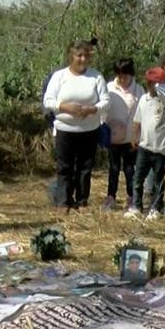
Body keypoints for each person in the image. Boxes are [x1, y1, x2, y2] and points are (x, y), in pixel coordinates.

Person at [43, 39, 109, 211]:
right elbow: (48, 101)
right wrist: (64, 107)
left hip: (89, 130)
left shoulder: (96, 76)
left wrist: (92, 109)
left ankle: (82, 201)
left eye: (86, 56)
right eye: (79, 55)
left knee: (85, 167)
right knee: (65, 167)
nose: (83, 59)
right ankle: (63, 201)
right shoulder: (59, 76)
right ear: (71, 56)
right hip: (66, 130)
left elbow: (106, 101)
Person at [127, 66, 165, 219]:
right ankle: (136, 206)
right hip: (144, 147)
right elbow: (137, 121)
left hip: (161, 149)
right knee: (138, 178)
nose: (156, 87)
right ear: (148, 84)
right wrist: (134, 136)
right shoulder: (143, 99)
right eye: (153, 83)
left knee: (159, 180)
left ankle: (156, 208)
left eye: (160, 83)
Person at [104, 58, 142, 210]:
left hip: (130, 137)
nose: (122, 79)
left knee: (129, 169)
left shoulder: (138, 90)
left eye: (125, 75)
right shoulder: (109, 88)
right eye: (119, 75)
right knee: (113, 168)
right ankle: (111, 197)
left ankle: (131, 197)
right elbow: (104, 110)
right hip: (113, 136)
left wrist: (137, 135)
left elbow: (141, 113)